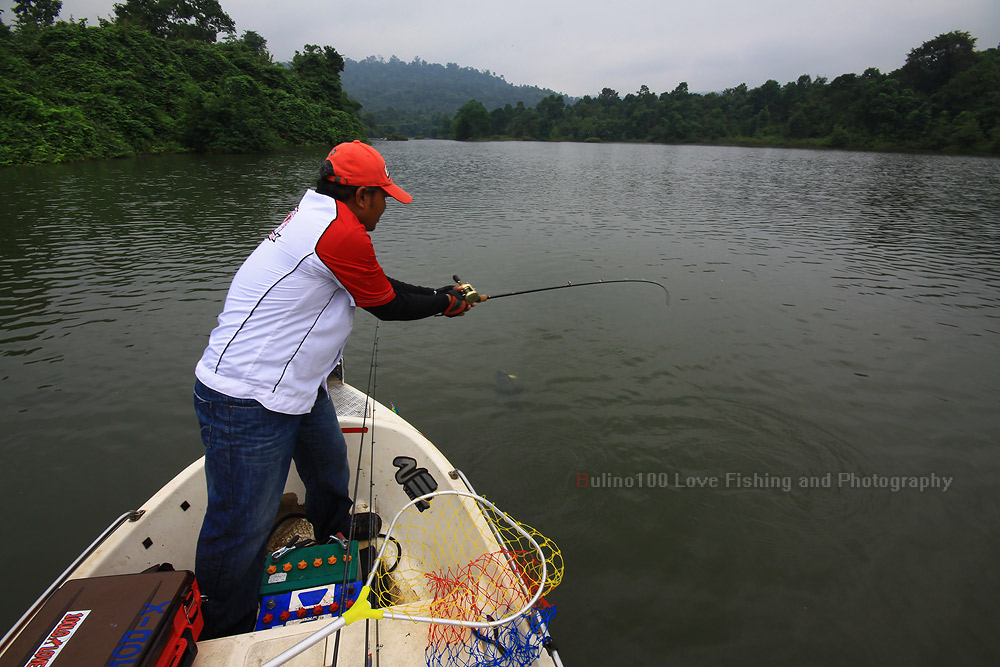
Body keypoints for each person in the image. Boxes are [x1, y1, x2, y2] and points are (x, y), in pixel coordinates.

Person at [192, 140, 477, 638]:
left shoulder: (315, 214)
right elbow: (386, 304)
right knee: (239, 526)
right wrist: (445, 304)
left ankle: (335, 539)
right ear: (361, 194)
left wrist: (441, 296)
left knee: (328, 472)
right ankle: (223, 630)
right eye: (384, 196)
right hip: (248, 396)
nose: (387, 206)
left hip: (296, 387)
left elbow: (376, 284)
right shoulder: (340, 232)